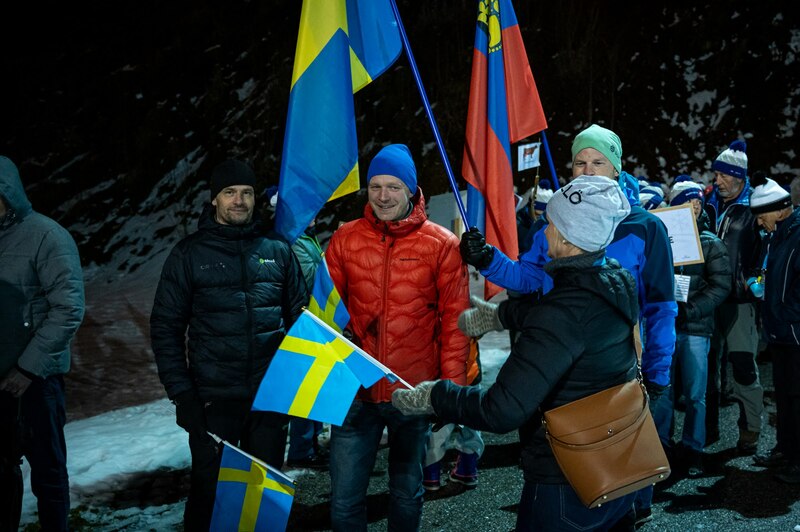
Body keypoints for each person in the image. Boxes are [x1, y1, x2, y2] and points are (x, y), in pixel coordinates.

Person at [393, 175, 637, 531]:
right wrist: (503, 315)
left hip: (567, 479)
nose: (545, 231)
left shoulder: (563, 312)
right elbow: (573, 317)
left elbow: (502, 409)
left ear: (567, 237)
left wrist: (437, 396)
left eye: (551, 224)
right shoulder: (616, 279)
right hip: (618, 462)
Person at [460, 124, 676, 525]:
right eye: (580, 163)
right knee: (557, 461)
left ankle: (621, 510)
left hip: (614, 370)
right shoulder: (556, 221)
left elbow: (661, 308)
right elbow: (527, 277)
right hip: (556, 363)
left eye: (598, 162)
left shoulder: (645, 227)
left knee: (615, 466)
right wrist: (488, 258)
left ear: (616, 169)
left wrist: (658, 373)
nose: (588, 171)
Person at [150, 159, 308, 530]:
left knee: (263, 497)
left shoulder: (277, 249)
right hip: (214, 402)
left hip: (268, 400)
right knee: (210, 496)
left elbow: (301, 322)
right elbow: (165, 328)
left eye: (247, 193)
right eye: (230, 192)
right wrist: (183, 395)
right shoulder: (189, 254)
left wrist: (295, 383)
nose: (239, 200)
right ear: (214, 199)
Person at [325, 144, 470, 531]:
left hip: (412, 391)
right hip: (355, 392)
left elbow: (455, 324)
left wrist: (451, 392)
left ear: (411, 190)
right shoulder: (345, 239)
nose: (383, 196)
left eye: (393, 186)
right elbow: (323, 313)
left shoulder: (442, 245)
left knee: (406, 493)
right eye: (375, 186)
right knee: (344, 499)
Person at [0, 155, 85, 532]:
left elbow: (68, 308)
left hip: (37, 381)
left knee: (48, 470)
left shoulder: (47, 235)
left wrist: (27, 369)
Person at [653, 176, 731, 477]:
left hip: (696, 328)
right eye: (688, 201)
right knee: (664, 389)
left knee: (696, 393)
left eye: (698, 201)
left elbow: (720, 285)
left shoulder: (710, 242)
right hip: (665, 325)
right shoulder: (661, 240)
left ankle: (693, 448)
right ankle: (662, 446)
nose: (695, 206)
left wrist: (692, 309)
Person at [703, 140, 764, 453]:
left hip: (740, 301)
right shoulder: (707, 203)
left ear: (740, 176)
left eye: (724, 175)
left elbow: (765, 253)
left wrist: (754, 282)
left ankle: (750, 428)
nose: (718, 181)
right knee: (707, 368)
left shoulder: (755, 207)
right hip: (709, 298)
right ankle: (708, 429)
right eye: (716, 175)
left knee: (742, 365)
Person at [263, 186, 328, 470]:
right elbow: (302, 280)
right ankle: (302, 450)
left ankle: (310, 444)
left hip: (312, 320)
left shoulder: (305, 237)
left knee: (312, 385)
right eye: (307, 208)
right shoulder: (289, 240)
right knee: (304, 388)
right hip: (300, 322)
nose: (314, 213)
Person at [745, 174, 800, 483]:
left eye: (761, 214)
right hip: (781, 332)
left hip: (795, 332)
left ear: (780, 209)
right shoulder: (779, 234)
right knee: (785, 396)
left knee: (797, 398)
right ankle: (785, 450)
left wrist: (785, 313)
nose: (759, 222)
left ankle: (797, 460)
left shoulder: (797, 234)